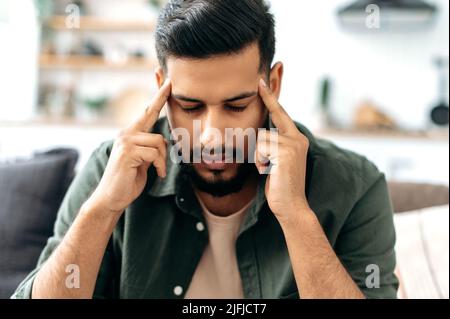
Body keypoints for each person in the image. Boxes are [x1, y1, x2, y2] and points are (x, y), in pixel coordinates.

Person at [13, 0, 398, 299]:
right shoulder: (110, 169)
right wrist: (101, 211)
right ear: (162, 87)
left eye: (236, 105)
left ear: (273, 84)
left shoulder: (355, 185)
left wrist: (296, 215)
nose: (212, 136)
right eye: (190, 107)